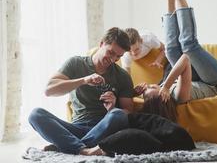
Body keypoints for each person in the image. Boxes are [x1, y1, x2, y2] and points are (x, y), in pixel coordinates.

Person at [139, 0, 217, 121]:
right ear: (162, 98)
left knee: (170, 51)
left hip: (199, 79)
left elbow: (179, 61)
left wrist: (137, 91)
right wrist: (166, 86)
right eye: (151, 89)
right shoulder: (178, 96)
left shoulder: (166, 88)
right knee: (189, 46)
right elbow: (185, 59)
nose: (149, 86)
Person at [28, 27, 136, 156]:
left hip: (104, 127)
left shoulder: (122, 76)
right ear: (101, 43)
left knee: (118, 114)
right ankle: (84, 149)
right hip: (76, 128)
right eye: (111, 53)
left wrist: (112, 108)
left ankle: (69, 146)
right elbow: (49, 90)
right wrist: (83, 80)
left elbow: (128, 111)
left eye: (118, 56)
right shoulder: (76, 63)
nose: (113, 59)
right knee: (35, 114)